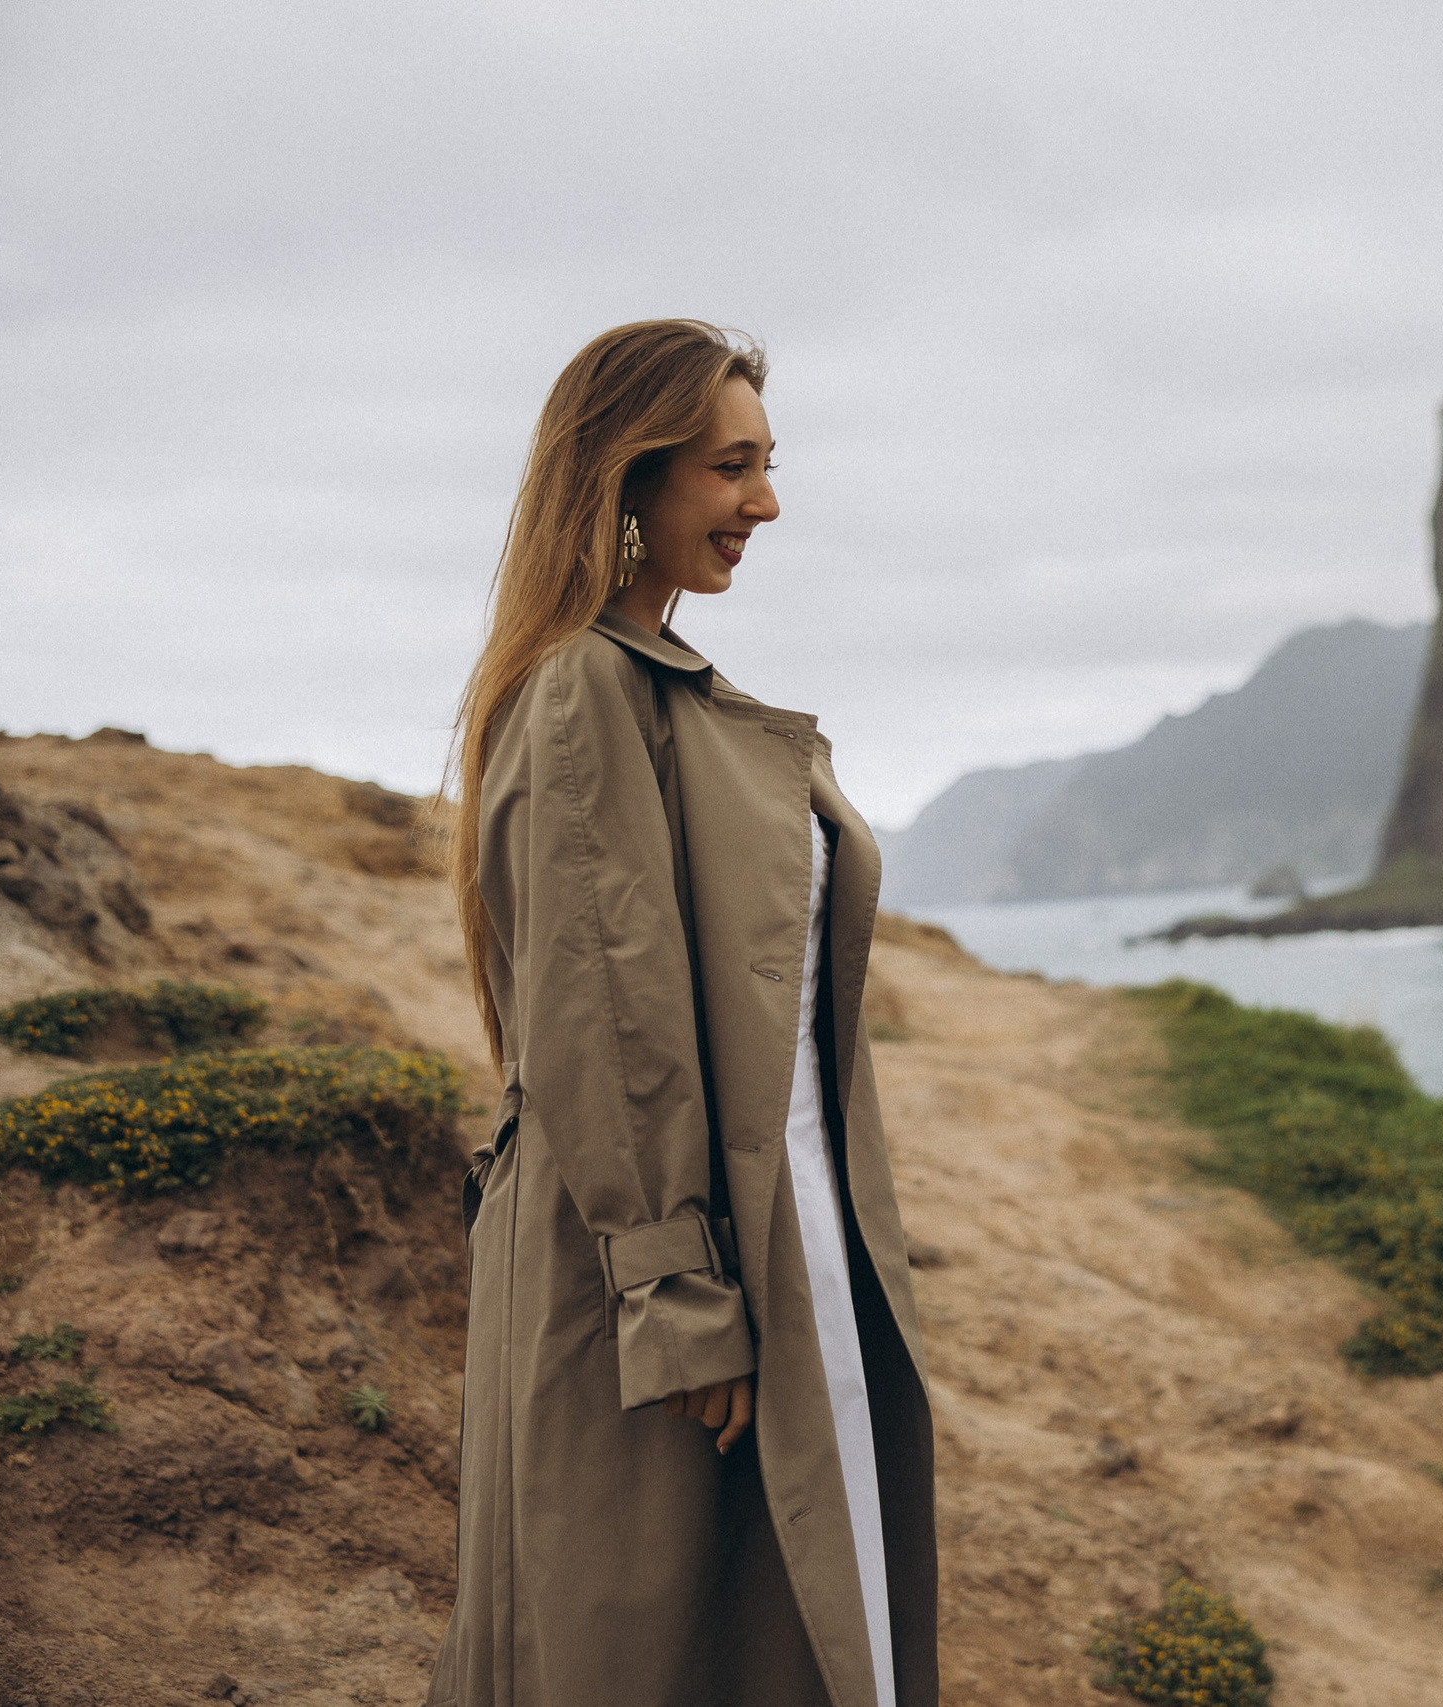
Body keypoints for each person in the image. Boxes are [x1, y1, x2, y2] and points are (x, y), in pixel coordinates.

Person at [429, 320, 936, 1707]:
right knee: (654, 1643)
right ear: (625, 478)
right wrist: (681, 1292)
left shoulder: (666, 685)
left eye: (767, 464)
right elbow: (607, 1019)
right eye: (731, 466)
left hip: (781, 1240)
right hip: (673, 1270)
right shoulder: (590, 686)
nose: (764, 502)